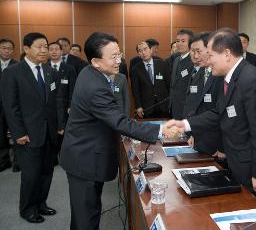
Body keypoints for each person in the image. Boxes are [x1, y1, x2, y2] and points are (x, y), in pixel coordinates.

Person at [59, 32, 177, 230]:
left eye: (119, 54)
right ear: (96, 61)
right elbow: (119, 121)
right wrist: (160, 130)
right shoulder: (94, 86)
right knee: (85, 218)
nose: (119, 60)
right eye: (113, 56)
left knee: (88, 212)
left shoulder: (91, 73)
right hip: (85, 159)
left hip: (85, 154)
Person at [166, 29, 256, 210]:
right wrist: (185, 124)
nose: (208, 59)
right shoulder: (230, 78)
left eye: (211, 55)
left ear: (227, 54)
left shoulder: (251, 80)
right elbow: (218, 113)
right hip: (240, 162)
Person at [1, 32, 63, 223]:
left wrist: (59, 126)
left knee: (46, 172)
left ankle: (41, 204)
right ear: (26, 49)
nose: (44, 50)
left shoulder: (49, 70)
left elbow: (54, 103)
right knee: (31, 175)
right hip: (27, 134)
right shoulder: (12, 72)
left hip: (49, 133)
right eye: (39, 47)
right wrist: (18, 132)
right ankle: (27, 209)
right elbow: (10, 106)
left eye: (46, 46)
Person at [183, 32, 224, 157]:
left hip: (217, 144)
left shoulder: (222, 74)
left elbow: (224, 114)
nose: (195, 56)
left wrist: (223, 148)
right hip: (200, 139)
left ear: (210, 49)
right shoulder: (200, 71)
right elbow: (194, 105)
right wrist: (191, 133)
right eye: (192, 51)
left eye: (198, 51)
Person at [47, 42, 77, 155]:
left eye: (56, 49)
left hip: (65, 106)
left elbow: (73, 89)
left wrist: (71, 105)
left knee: (65, 131)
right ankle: (53, 155)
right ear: (48, 52)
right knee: (51, 130)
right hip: (49, 106)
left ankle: (65, 154)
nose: (54, 52)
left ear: (61, 52)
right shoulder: (44, 68)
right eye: (51, 49)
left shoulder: (69, 69)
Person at [131, 41, 170, 118]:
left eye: (145, 49)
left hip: (164, 105)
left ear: (150, 50)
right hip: (147, 107)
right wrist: (138, 106)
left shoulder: (162, 64)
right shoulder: (135, 69)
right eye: (140, 51)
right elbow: (135, 90)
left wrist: (170, 102)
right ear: (138, 54)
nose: (143, 53)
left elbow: (169, 84)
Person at [0, 38, 18, 172]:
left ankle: (18, 163)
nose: (6, 51)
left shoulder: (17, 66)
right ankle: (4, 161)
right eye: (3, 48)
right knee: (1, 134)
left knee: (16, 132)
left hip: (13, 105)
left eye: (9, 48)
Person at [170, 29, 194, 119]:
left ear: (191, 43)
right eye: (177, 41)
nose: (179, 44)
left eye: (183, 41)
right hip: (174, 106)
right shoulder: (176, 59)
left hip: (187, 109)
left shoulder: (193, 60)